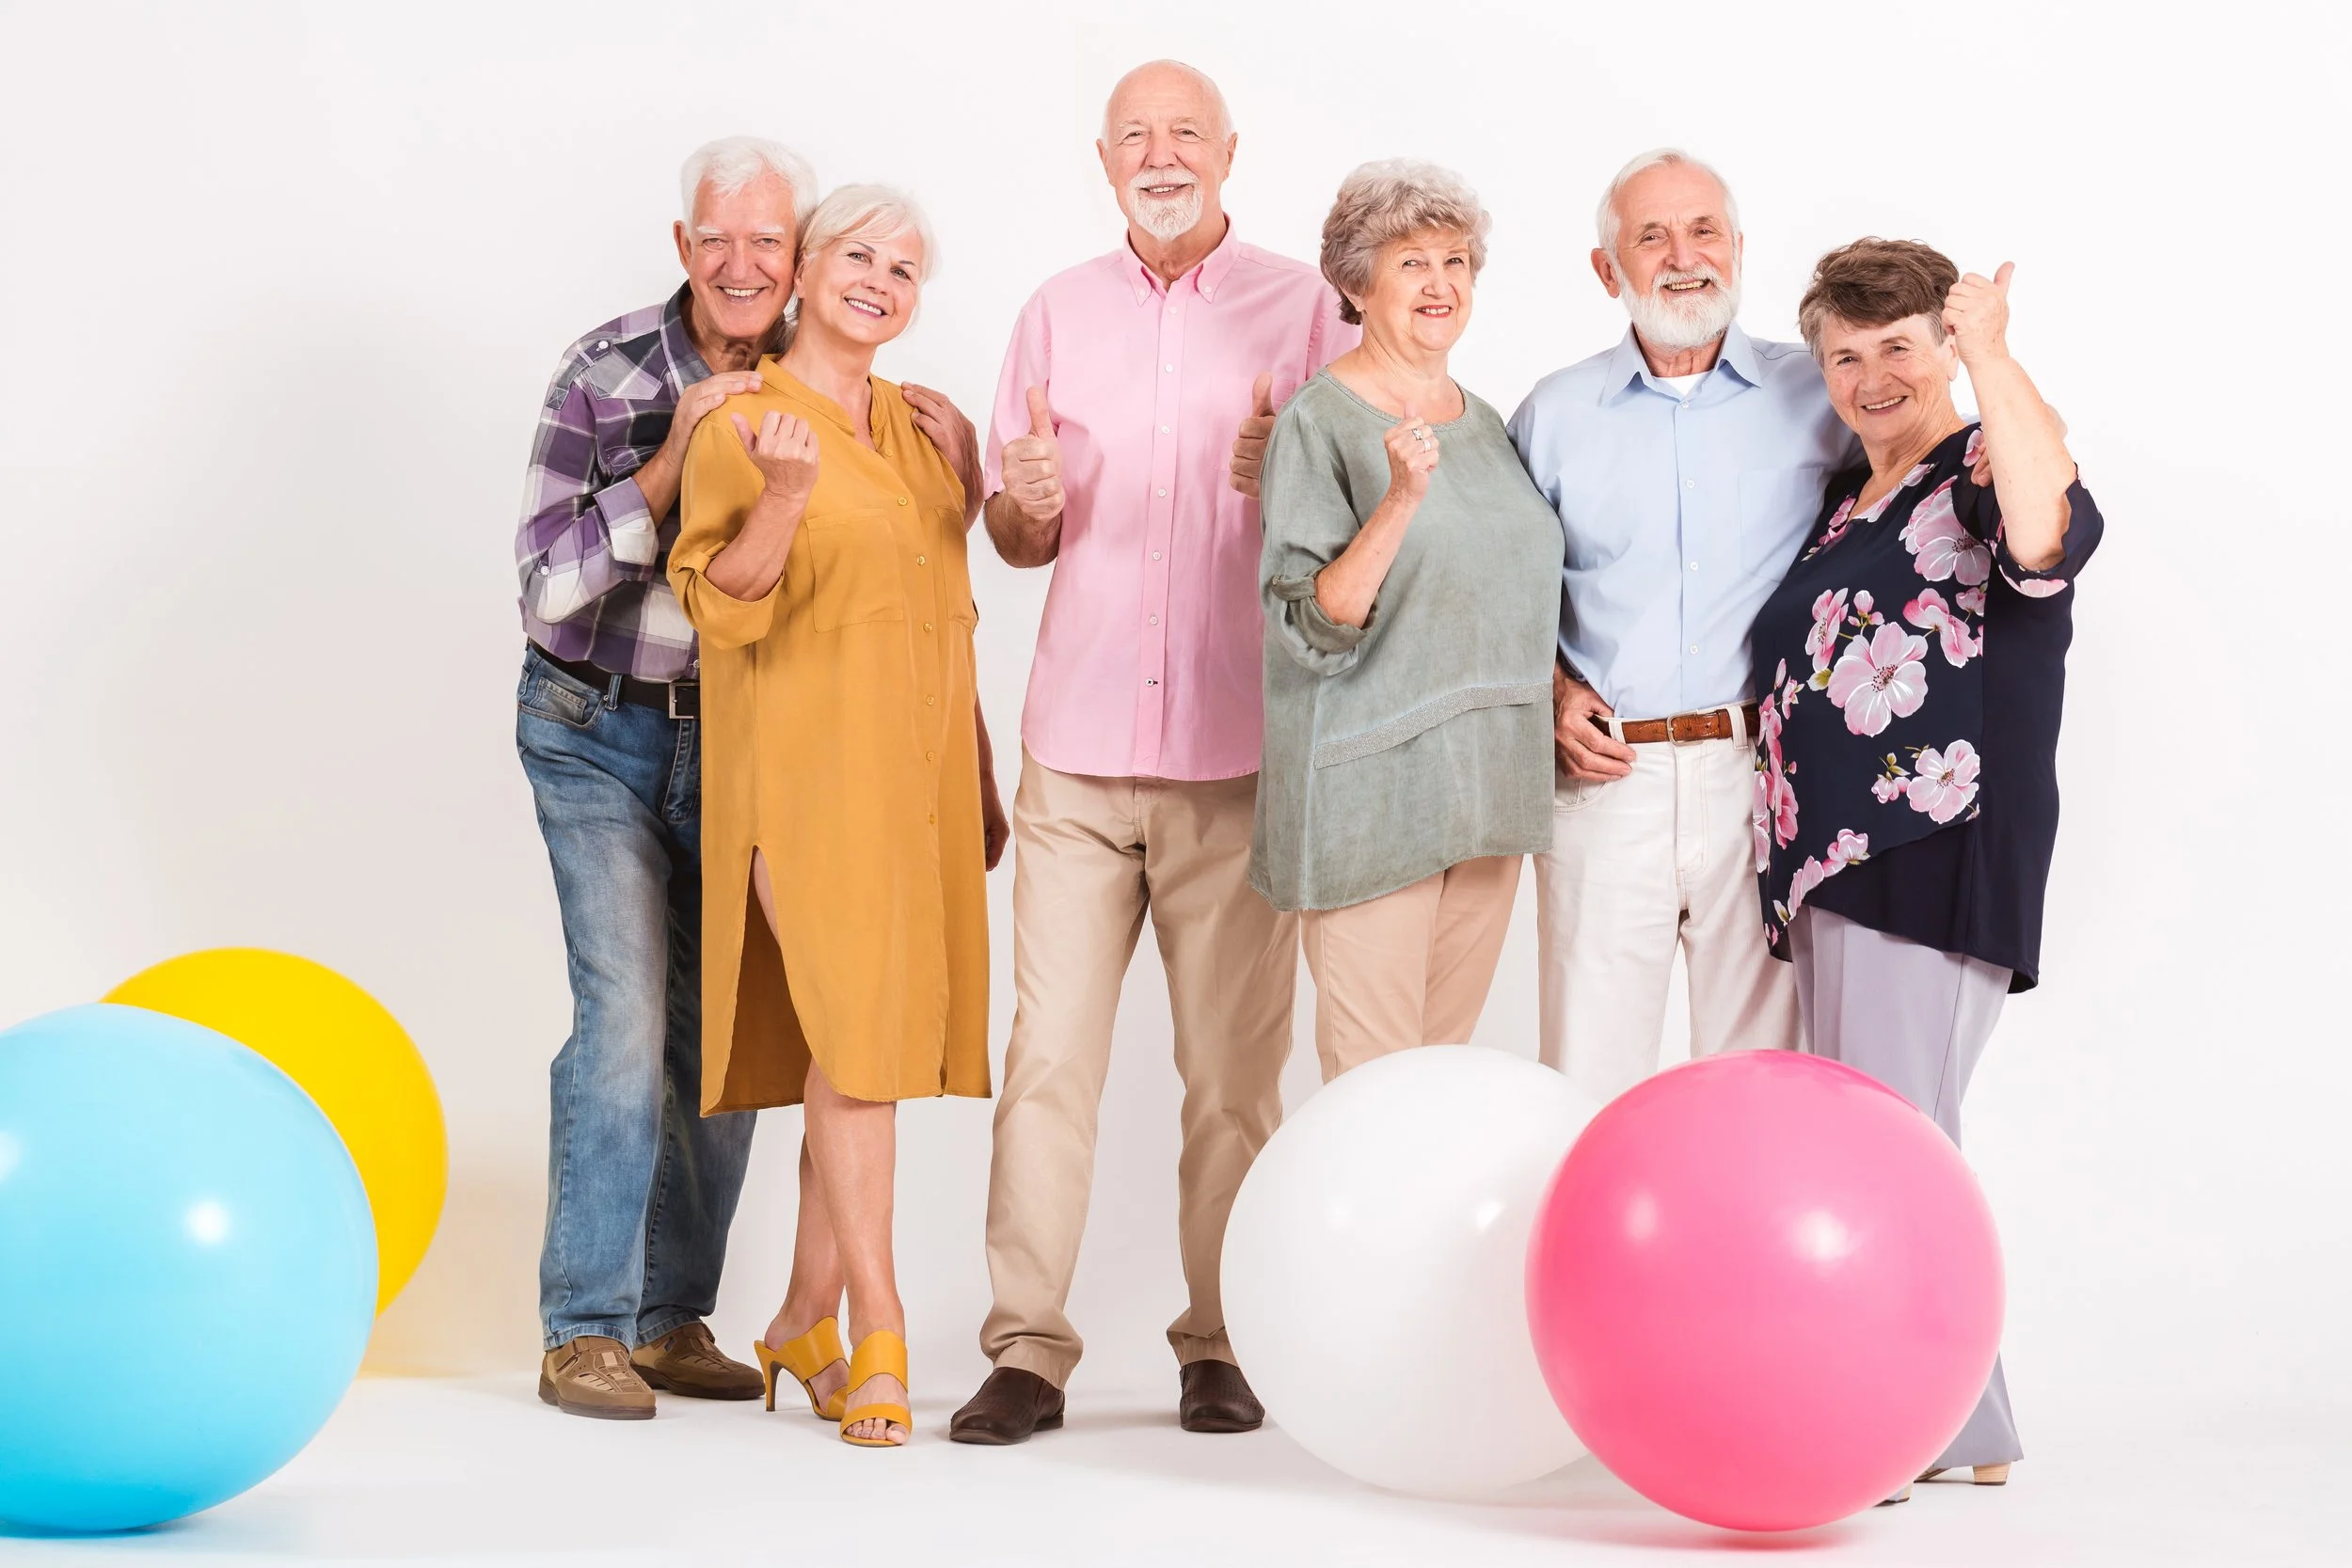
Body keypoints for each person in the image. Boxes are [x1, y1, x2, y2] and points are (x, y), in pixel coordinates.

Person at [950, 60, 1357, 1446]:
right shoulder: (1054, 312)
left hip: (1236, 751)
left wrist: (1279, 474)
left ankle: (1222, 1336)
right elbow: (1019, 534)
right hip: (1073, 753)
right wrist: (1021, 505)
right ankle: (1024, 1345)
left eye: (1185, 129)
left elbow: (1356, 520)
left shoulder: (1307, 307)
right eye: (1137, 133)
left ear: (1231, 149)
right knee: (1048, 1056)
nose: (1162, 151)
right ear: (1103, 158)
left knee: (1235, 1073)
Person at [1752, 239, 2100, 1496]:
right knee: (1895, 1140)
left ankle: (1901, 1413)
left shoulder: (1975, 464)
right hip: (1834, 867)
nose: (1870, 373)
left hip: (1933, 845)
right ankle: (1964, 1416)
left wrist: (1999, 351)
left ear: (1945, 348)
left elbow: (2043, 528)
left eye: (1898, 343)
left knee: (1893, 1146)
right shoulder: (1851, 494)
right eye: (1844, 354)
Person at [667, 183, 1005, 1448]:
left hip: (915, 788)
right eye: (859, 254)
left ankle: (801, 1315)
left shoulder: (922, 435)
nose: (881, 279)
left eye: (907, 267)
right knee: (861, 1049)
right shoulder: (741, 420)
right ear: (803, 269)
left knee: (856, 1056)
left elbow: (942, 623)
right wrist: (787, 500)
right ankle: (880, 1324)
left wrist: (971, 777)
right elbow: (720, 606)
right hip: (802, 784)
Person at [514, 135, 815, 1420]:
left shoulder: (828, 374)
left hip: (747, 742)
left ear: (795, 255)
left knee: (726, 1038)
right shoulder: (612, 366)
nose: (743, 263)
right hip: (596, 729)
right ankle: (583, 1323)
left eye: (769, 241)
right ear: (684, 248)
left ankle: (671, 1310)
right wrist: (666, 466)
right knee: (629, 1021)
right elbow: (545, 587)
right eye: (719, 238)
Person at [1508, 149, 1865, 1105]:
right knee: (1586, 1076)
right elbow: (1502, 592)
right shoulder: (1552, 415)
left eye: (1703, 229)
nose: (1682, 256)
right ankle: (1581, 1259)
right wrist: (1548, 689)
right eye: (1650, 234)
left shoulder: (1819, 395)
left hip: (1761, 779)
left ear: (1739, 248)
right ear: (1605, 267)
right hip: (1603, 784)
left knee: (1759, 1078)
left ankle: (1746, 1259)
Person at [1254, 161, 1561, 1080]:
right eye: (1411, 263)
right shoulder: (1319, 422)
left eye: (1456, 261)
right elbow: (1308, 625)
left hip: (1489, 795)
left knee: (1437, 1086)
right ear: (1354, 283)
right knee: (1371, 1092)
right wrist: (1398, 500)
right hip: (1372, 803)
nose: (1441, 285)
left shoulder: (1488, 421)